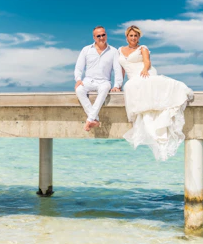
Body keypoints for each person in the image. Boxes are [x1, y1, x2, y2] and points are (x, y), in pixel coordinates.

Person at [119, 25, 193, 161]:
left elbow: (147, 62)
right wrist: (118, 84)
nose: (133, 38)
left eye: (136, 36)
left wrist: (145, 70)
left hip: (143, 73)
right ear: (127, 37)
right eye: (131, 35)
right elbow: (122, 69)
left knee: (135, 87)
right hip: (132, 77)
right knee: (129, 86)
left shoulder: (143, 48)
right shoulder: (120, 50)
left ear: (138, 37)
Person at [75, 26, 123, 131]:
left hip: (104, 82)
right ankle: (94, 119)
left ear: (106, 35)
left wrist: (117, 85)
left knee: (105, 89)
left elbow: (117, 69)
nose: (101, 37)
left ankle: (91, 119)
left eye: (103, 35)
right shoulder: (86, 50)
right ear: (94, 37)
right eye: (98, 36)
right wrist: (78, 79)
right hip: (88, 80)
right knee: (79, 90)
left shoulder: (113, 51)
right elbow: (79, 67)